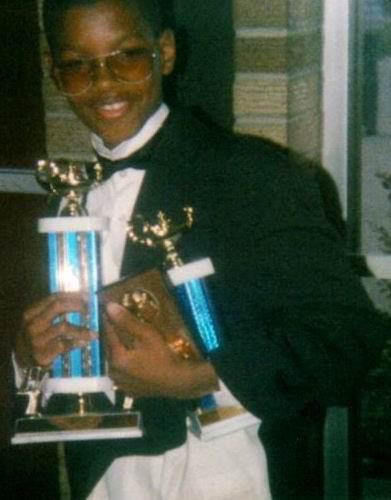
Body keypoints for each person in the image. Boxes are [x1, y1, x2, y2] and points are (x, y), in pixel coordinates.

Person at [13, 0, 390, 499]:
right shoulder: (67, 199)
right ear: (54, 71)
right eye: (77, 65)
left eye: (125, 57)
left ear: (164, 52)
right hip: (107, 480)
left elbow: (347, 339)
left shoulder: (253, 174)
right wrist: (28, 355)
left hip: (231, 474)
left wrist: (202, 377)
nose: (103, 82)